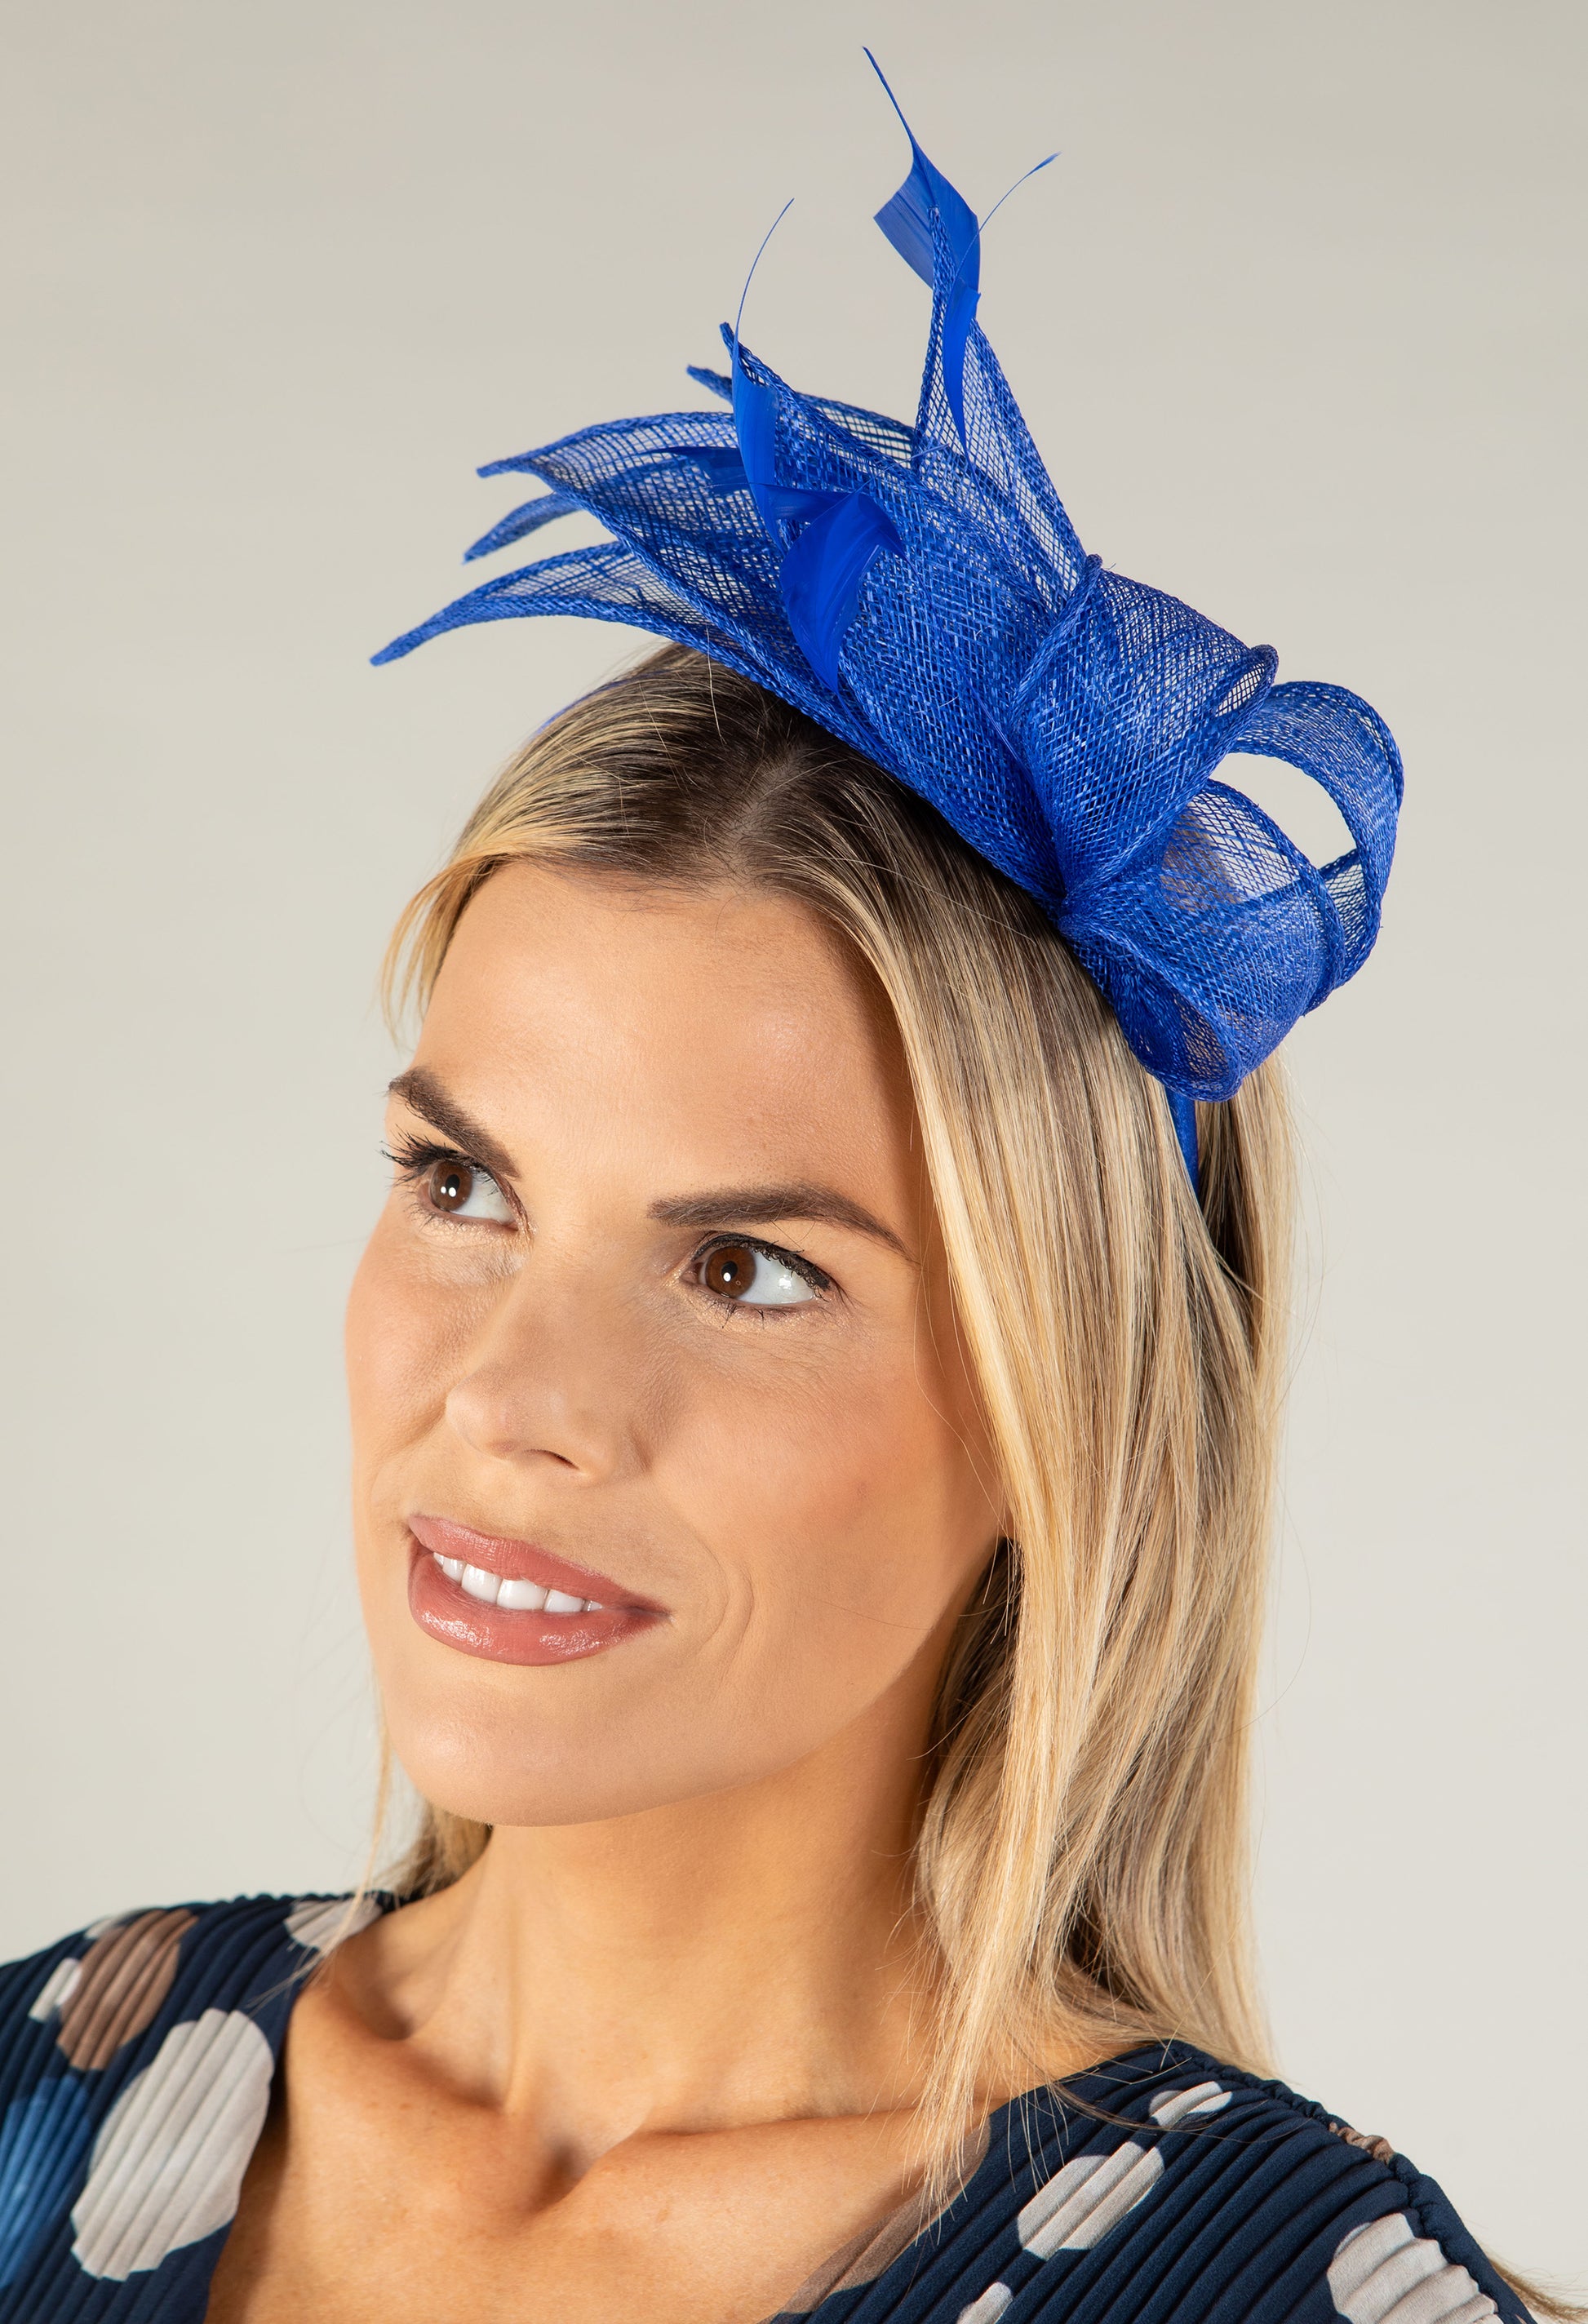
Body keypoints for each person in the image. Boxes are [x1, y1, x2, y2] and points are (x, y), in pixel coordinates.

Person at [0, 64, 1564, 2324]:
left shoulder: (1272, 2290)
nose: (515, 1400)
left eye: (741, 1268)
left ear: (1054, 1417)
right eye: (463, 1184)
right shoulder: (48, 2083)